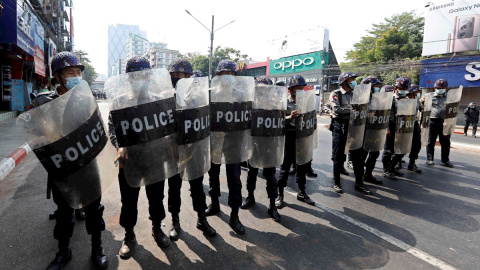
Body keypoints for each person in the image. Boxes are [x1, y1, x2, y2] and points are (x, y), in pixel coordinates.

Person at [29, 51, 108, 270]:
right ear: (58, 76)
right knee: (64, 213)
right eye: (70, 72)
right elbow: (34, 135)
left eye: (78, 73)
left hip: (88, 165)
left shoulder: (86, 99)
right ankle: (63, 251)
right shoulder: (43, 102)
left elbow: (98, 129)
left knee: (94, 210)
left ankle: (97, 248)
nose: (75, 76)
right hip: (62, 168)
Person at [108, 56, 170, 259]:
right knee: (128, 201)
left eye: (144, 75)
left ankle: (157, 228)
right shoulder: (120, 102)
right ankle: (129, 235)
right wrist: (119, 146)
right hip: (129, 160)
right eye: (136, 76)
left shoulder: (158, 100)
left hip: (154, 158)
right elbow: (113, 128)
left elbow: (167, 126)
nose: (141, 79)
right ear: (129, 78)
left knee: (156, 198)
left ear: (150, 77)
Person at [166, 58, 216, 241]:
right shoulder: (166, 97)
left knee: (197, 187)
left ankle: (201, 219)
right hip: (173, 151)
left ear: (189, 76)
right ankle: (175, 221)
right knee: (174, 188)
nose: (176, 79)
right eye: (173, 76)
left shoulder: (199, 97)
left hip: (194, 149)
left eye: (179, 75)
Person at [206, 60, 246, 235]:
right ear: (218, 76)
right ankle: (214, 204)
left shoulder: (241, 94)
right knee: (213, 175)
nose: (227, 77)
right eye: (224, 74)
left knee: (234, 179)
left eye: (231, 74)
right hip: (214, 141)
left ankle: (235, 215)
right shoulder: (209, 94)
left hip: (234, 143)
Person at [241, 76, 281, 222]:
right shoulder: (250, 104)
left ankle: (272, 205)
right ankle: (250, 196)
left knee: (270, 176)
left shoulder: (276, 104)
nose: (262, 92)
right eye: (259, 89)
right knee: (252, 172)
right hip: (254, 144)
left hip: (270, 144)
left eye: (265, 90)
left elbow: (280, 124)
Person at [276, 75, 316, 206]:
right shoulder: (283, 102)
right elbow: (278, 121)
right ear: (291, 89)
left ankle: (302, 192)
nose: (300, 90)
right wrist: (290, 117)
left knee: (302, 165)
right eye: (297, 87)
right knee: (285, 167)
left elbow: (312, 117)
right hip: (289, 136)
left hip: (303, 136)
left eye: (301, 87)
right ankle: (279, 194)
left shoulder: (307, 100)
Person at [328, 72, 358, 193]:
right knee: (338, 155)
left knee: (353, 152)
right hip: (339, 125)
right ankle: (336, 182)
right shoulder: (336, 94)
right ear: (345, 82)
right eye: (352, 80)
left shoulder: (354, 94)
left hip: (352, 126)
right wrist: (352, 110)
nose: (354, 82)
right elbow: (337, 109)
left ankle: (358, 180)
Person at [382, 77, 411, 180]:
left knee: (401, 149)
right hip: (392, 125)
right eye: (401, 88)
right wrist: (388, 128)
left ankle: (392, 167)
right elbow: (388, 114)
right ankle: (386, 170)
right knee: (388, 150)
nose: (403, 90)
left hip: (403, 127)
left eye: (405, 88)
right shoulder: (391, 99)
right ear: (396, 88)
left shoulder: (407, 100)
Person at [360, 76, 384, 185]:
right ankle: (359, 175)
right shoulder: (360, 99)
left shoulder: (377, 99)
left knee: (374, 153)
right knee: (363, 154)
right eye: (375, 86)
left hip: (375, 129)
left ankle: (368, 174)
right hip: (364, 130)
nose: (377, 88)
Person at [426, 79, 454, 167]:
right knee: (431, 141)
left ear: (446, 88)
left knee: (446, 142)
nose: (439, 89)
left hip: (445, 122)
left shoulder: (450, 97)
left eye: (441, 87)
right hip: (433, 121)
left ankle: (445, 159)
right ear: (435, 88)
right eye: (437, 87)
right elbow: (423, 108)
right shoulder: (429, 96)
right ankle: (430, 159)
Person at [406, 84, 423, 173]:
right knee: (402, 144)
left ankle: (412, 163)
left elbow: (422, 109)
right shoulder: (404, 100)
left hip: (415, 124)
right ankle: (396, 162)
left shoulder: (416, 101)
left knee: (417, 144)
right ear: (412, 92)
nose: (418, 93)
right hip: (405, 123)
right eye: (417, 91)